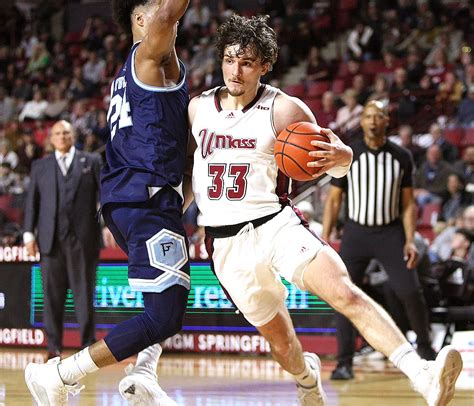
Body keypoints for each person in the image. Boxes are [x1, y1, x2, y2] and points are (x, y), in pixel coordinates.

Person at [187, 14, 462, 406]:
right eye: (230, 60)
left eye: (247, 62)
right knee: (283, 347)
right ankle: (306, 377)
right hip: (225, 244)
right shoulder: (198, 109)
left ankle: (423, 374)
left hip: (274, 225)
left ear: (265, 65)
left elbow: (335, 161)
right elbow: (185, 171)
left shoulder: (285, 110)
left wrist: (344, 155)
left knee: (344, 292)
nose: (236, 70)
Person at [24, 1, 190, 405]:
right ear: (138, 19)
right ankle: (61, 373)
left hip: (139, 197)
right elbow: (167, 15)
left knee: (168, 303)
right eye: (161, 10)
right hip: (143, 196)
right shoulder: (148, 57)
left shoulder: (146, 68)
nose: (174, 17)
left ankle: (143, 374)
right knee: (165, 314)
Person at [323, 100, 439, 381]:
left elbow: (409, 204)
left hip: (390, 232)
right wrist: (325, 236)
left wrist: (410, 240)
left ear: (387, 120)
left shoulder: (401, 156)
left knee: (410, 291)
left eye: (379, 116)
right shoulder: (350, 155)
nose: (373, 121)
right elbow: (334, 200)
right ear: (361, 121)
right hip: (356, 233)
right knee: (343, 296)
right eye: (368, 116)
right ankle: (344, 362)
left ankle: (425, 350)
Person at [23, 120, 102, 360]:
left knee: (84, 294)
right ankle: (53, 347)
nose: (62, 136)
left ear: (73, 135)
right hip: (50, 240)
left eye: (66, 132)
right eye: (57, 133)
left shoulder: (92, 162)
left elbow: (103, 195)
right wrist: (28, 233)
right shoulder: (40, 166)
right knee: (52, 296)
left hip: (83, 240)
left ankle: (88, 345)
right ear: (51, 138)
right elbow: (32, 202)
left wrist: (107, 225)